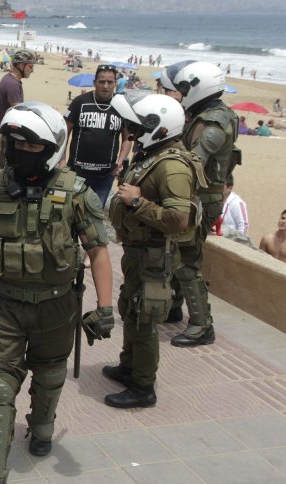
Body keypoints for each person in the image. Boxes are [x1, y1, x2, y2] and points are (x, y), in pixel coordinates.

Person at [0, 102, 114, 484]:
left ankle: (42, 428)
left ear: (51, 147)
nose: (23, 151)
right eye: (16, 143)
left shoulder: (76, 193)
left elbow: (97, 252)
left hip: (57, 308)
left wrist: (105, 306)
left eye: (32, 145)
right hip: (4, 306)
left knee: (50, 373)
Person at [105, 91, 197, 408]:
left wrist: (136, 202)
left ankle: (143, 387)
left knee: (145, 320)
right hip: (138, 253)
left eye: (138, 125)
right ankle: (129, 367)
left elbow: (179, 220)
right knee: (130, 310)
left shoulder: (172, 167)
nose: (131, 131)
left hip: (154, 256)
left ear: (158, 126)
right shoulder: (153, 154)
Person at [162, 61, 239, 347]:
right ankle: (173, 307)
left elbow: (194, 162)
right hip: (197, 197)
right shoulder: (207, 113)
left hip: (202, 200)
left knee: (187, 259)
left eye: (184, 88)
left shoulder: (214, 122)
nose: (181, 93)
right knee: (177, 252)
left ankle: (201, 324)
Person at [61, 63, 132, 206]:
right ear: (95, 83)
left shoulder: (122, 106)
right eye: (101, 82)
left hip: (105, 176)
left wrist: (119, 163)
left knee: (96, 214)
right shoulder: (80, 102)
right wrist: (62, 160)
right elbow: (64, 132)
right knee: (71, 211)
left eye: (109, 82)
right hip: (76, 172)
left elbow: (128, 138)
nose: (105, 86)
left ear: (115, 84)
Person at [0, 49, 35, 167]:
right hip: (8, 134)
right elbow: (18, 113)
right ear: (21, 65)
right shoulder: (12, 84)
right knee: (6, 169)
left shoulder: (8, 79)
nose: (32, 70)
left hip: (5, 131)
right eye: (30, 67)